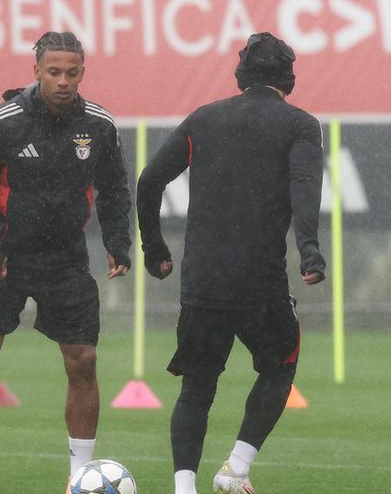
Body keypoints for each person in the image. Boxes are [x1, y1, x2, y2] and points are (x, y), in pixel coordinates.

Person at [0, 31, 131, 494]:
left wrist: (118, 243)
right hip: (5, 258)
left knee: (82, 360)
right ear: (37, 71)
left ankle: (78, 476)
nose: (63, 81)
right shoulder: (4, 122)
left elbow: (114, 189)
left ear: (82, 72)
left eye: (72, 73)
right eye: (54, 72)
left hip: (66, 261)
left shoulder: (100, 125)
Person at [137, 32, 326, 494]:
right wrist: (309, 249)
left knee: (197, 388)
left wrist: (155, 249)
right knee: (280, 366)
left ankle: (184, 488)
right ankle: (236, 469)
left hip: (202, 279)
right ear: (289, 78)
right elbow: (304, 188)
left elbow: (148, 181)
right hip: (258, 280)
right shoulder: (299, 125)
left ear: (241, 75)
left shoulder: (205, 119)